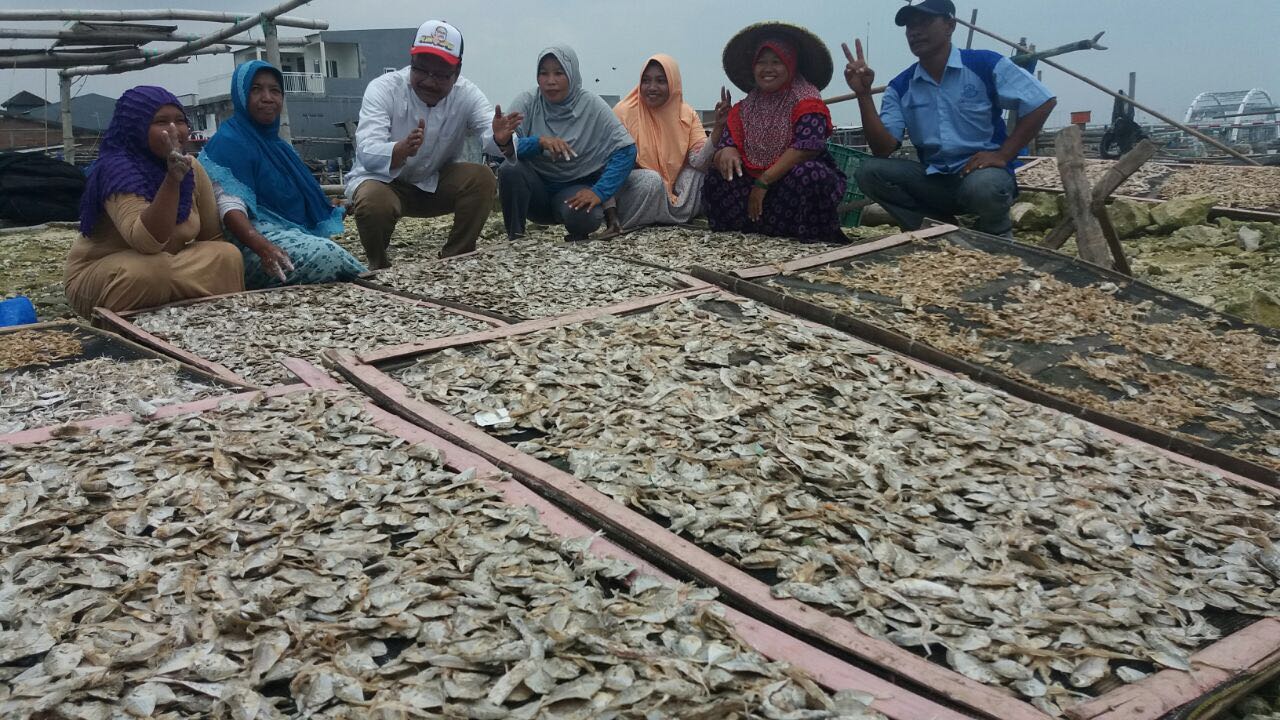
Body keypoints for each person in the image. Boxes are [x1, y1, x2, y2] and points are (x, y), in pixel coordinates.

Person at [844, 0, 1056, 237]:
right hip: (934, 180)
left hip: (981, 174)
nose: (915, 31)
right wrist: (863, 95)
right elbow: (882, 149)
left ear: (949, 25)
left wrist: (1003, 155)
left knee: (984, 186)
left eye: (924, 22)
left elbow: (1042, 101)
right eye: (910, 26)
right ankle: (939, 232)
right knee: (869, 172)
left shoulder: (983, 64)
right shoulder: (901, 86)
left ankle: (998, 238)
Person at [345, 20, 523, 268]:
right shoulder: (383, 88)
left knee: (483, 178)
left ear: (457, 72)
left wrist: (501, 139)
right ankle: (378, 263)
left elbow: (491, 133)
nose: (429, 81)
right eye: (421, 70)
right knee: (373, 202)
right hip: (386, 184)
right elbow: (366, 151)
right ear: (411, 61)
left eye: (441, 75)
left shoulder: (467, 94)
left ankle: (456, 256)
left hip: (434, 182)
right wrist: (399, 150)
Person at [65, 86, 243, 317]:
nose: (173, 130)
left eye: (180, 120)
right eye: (161, 122)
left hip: (169, 265)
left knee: (226, 256)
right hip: (108, 272)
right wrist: (171, 181)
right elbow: (147, 242)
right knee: (149, 270)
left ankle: (198, 319)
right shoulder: (117, 169)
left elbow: (211, 237)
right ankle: (126, 331)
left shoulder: (192, 168)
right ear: (136, 128)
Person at [200, 60, 366, 288]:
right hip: (248, 246)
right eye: (256, 89)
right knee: (327, 255)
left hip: (280, 235)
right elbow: (230, 209)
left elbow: (293, 196)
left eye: (275, 91)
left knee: (332, 260)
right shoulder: (230, 142)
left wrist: (334, 206)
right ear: (240, 94)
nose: (267, 98)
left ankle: (368, 280)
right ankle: (371, 280)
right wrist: (264, 248)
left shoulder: (279, 147)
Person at [703, 23, 848, 243]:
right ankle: (749, 230)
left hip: (789, 184)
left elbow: (807, 147)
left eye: (776, 62)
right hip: (753, 186)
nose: (767, 68)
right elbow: (725, 144)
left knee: (809, 174)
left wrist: (764, 181)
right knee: (718, 177)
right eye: (761, 62)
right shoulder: (746, 106)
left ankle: (807, 234)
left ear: (791, 64)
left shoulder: (806, 99)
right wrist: (727, 150)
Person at [499, 46, 637, 241]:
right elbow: (507, 147)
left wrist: (599, 191)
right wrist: (539, 142)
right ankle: (515, 237)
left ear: (572, 74)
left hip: (570, 192)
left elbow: (626, 150)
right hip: (534, 190)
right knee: (509, 169)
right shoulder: (527, 102)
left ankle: (576, 234)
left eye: (559, 73)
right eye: (544, 73)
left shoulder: (591, 105)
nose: (550, 81)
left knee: (586, 217)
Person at [607, 54, 728, 233]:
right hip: (634, 188)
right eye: (646, 81)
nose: (652, 88)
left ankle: (662, 216)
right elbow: (609, 164)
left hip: (669, 189)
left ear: (673, 83)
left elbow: (698, 161)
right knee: (651, 181)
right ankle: (640, 220)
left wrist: (718, 128)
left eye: (661, 81)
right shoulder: (623, 112)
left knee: (697, 175)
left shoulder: (686, 114)